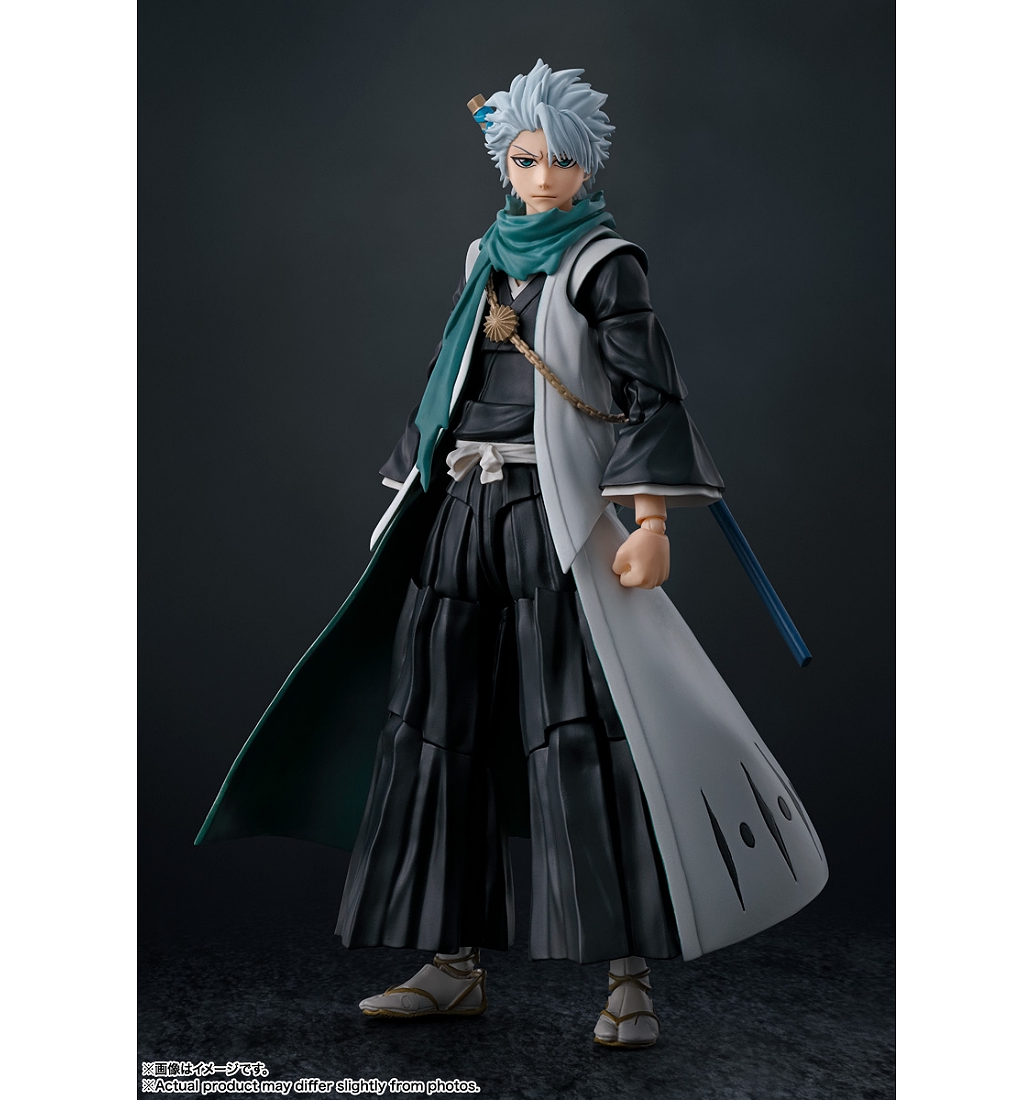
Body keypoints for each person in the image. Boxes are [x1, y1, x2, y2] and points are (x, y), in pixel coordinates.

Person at [197, 59, 827, 1050]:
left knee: (584, 733)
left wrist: (650, 522)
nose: (542, 176)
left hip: (551, 515)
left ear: (586, 166)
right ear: (503, 161)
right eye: (525, 158)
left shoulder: (604, 263)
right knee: (437, 729)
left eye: (559, 160)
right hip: (462, 507)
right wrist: (416, 485)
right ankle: (452, 964)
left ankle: (627, 979)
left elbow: (648, 396)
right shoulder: (482, 255)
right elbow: (448, 375)